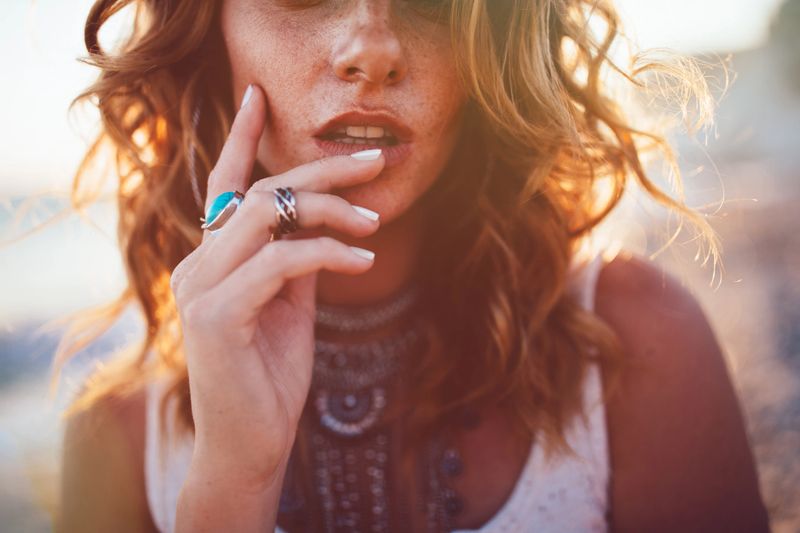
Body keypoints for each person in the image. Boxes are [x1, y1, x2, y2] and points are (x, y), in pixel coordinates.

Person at [54, 1, 770, 532]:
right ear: (210, 31)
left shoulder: (632, 346)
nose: (373, 48)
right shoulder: (115, 437)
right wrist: (233, 480)